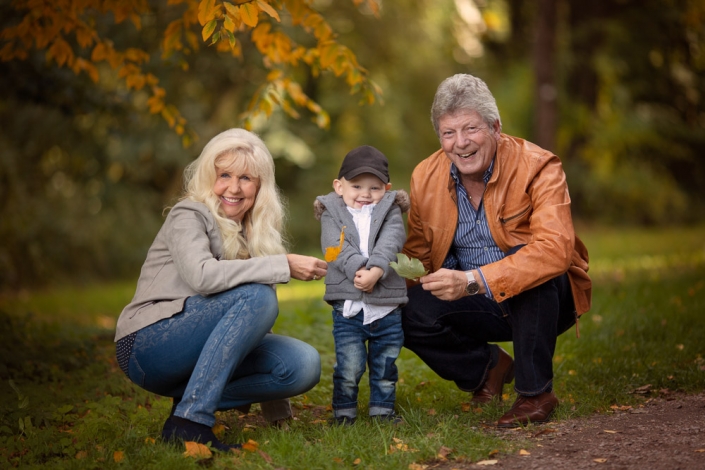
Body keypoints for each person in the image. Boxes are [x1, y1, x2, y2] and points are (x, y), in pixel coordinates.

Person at [114, 128, 327, 451]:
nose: (233, 187)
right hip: (147, 346)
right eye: (224, 174)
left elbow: (252, 326)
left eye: (246, 178)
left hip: (191, 349)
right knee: (258, 295)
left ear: (260, 186)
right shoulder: (188, 215)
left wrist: (278, 412)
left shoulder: (251, 232)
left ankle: (191, 400)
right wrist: (282, 264)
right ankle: (189, 423)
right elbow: (203, 277)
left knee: (303, 364)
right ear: (208, 176)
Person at [402, 74, 591, 428]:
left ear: (495, 127)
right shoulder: (424, 176)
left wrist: (474, 280)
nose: (460, 143)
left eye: (471, 129)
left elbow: (554, 251)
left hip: (546, 298)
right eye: (448, 133)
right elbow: (419, 257)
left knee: (531, 267)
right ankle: (488, 368)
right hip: (477, 302)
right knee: (404, 312)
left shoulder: (539, 166)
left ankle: (536, 393)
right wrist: (377, 274)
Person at [314, 145, 409, 425]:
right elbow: (334, 246)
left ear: (386, 188)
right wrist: (359, 269)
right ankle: (343, 412)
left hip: (386, 308)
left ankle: (382, 410)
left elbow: (392, 239)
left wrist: (377, 269)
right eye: (356, 186)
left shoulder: (390, 210)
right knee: (349, 365)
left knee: (385, 364)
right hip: (349, 308)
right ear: (339, 186)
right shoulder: (332, 212)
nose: (365, 195)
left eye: (375, 188)